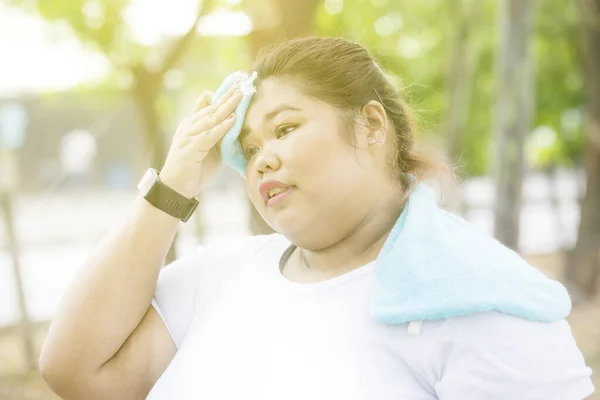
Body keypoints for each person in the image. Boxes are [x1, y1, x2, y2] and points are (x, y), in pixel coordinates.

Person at [39, 37, 595, 400]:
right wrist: (174, 183)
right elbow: (74, 368)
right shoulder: (222, 275)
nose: (264, 160)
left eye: (284, 129)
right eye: (250, 150)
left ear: (371, 126)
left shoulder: (477, 301)